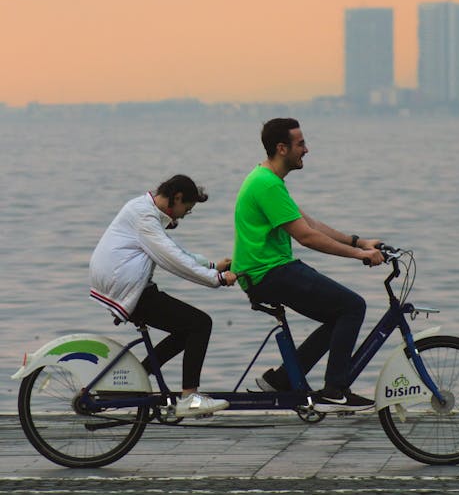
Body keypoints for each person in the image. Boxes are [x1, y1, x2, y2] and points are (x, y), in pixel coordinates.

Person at [232, 118, 384, 413]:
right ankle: (335, 391)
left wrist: (359, 242)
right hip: (268, 273)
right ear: (281, 148)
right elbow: (306, 237)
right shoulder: (267, 185)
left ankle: (283, 379)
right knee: (352, 307)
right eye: (300, 144)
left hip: (268, 271)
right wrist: (359, 256)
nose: (307, 150)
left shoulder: (268, 180)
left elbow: (310, 223)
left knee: (339, 315)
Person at [89, 174, 237, 417]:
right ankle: (190, 397)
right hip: (128, 291)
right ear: (176, 198)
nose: (183, 215)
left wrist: (211, 266)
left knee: (184, 330)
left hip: (127, 286)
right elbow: (171, 258)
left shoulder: (144, 209)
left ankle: (134, 379)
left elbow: (172, 249)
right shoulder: (145, 217)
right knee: (200, 324)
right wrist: (216, 279)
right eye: (186, 209)